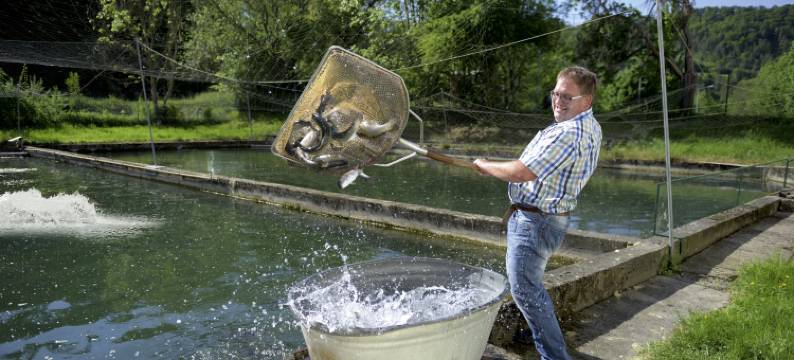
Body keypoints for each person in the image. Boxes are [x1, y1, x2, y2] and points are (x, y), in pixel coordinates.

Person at [473, 66, 601, 360]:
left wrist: (485, 165)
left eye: (568, 96)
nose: (558, 101)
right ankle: (536, 329)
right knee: (529, 288)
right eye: (556, 93)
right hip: (545, 219)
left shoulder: (570, 133)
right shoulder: (588, 124)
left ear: (587, 100)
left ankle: (554, 356)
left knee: (526, 290)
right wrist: (492, 167)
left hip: (536, 221)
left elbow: (521, 171)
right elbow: (530, 167)